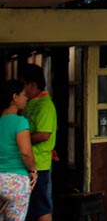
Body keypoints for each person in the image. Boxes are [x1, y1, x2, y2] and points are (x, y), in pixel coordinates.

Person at [20, 64, 56, 221]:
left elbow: (44, 135)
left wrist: (21, 139)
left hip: (40, 164)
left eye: (23, 85)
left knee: (41, 207)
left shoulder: (45, 105)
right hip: (29, 163)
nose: (22, 90)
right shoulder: (30, 103)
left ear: (32, 85)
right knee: (30, 207)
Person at [0, 80, 37, 221]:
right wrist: (33, 170)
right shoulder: (20, 122)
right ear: (14, 97)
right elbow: (26, 153)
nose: (26, 98)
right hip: (15, 181)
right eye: (23, 95)